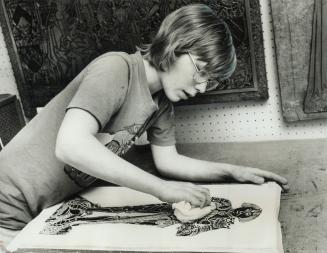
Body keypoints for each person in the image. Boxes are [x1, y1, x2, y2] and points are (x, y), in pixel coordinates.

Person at [0, 3, 288, 248]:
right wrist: (162, 190)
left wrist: (233, 172)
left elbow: (169, 162)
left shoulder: (160, 102)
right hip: (6, 208)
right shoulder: (116, 67)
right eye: (201, 71)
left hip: (41, 212)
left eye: (210, 81)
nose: (202, 87)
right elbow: (70, 145)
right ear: (176, 46)